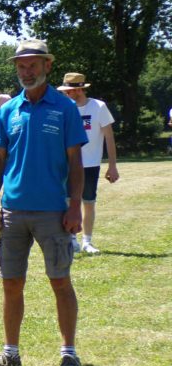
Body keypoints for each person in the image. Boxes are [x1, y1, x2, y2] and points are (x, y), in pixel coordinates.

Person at [0, 39, 88, 366]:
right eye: (21, 66)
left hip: (53, 212)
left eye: (33, 65)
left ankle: (69, 353)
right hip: (13, 212)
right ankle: (10, 353)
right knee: (11, 283)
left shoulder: (65, 108)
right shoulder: (9, 110)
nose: (26, 72)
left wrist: (74, 207)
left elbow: (76, 163)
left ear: (47, 66)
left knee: (60, 281)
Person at [58, 73, 119, 254]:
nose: (66, 94)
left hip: (91, 164)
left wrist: (112, 166)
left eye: (68, 91)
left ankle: (87, 241)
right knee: (68, 202)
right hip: (68, 164)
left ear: (79, 90)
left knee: (89, 202)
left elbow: (109, 137)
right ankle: (72, 240)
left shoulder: (98, 107)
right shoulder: (63, 108)